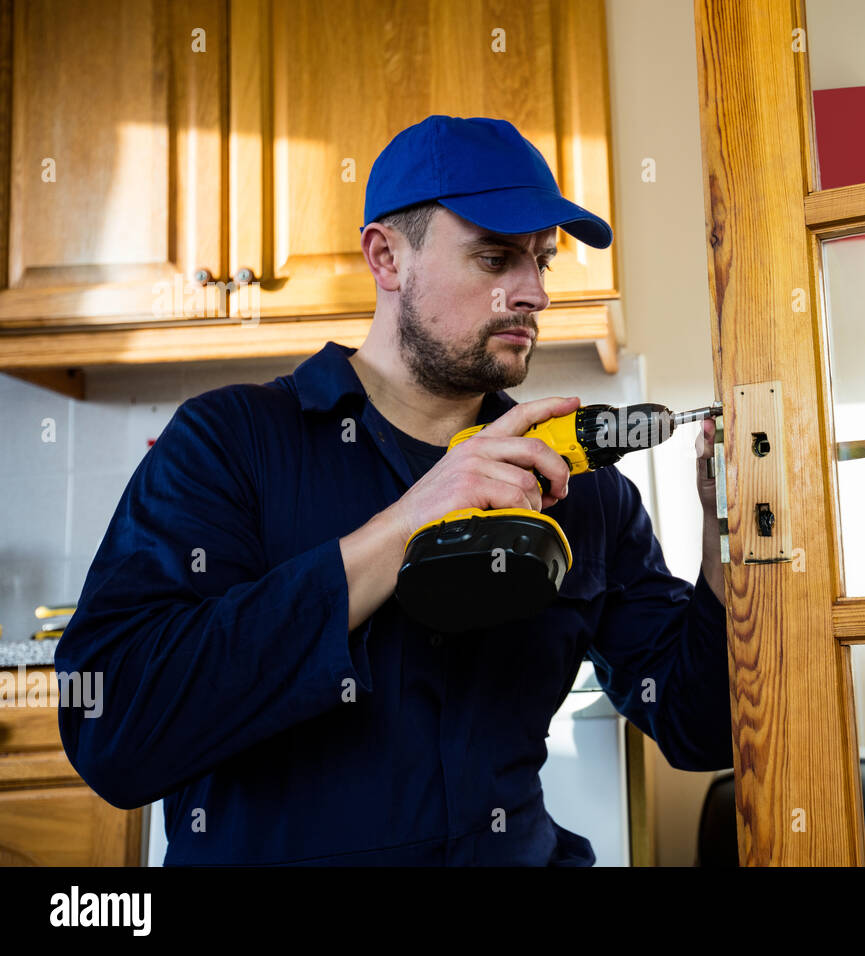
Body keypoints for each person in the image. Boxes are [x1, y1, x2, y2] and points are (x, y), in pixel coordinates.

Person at [55, 115, 732, 866]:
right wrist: (406, 523)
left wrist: (725, 546)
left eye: (543, 260)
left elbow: (698, 729)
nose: (534, 292)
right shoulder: (230, 443)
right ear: (387, 257)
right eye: (495, 257)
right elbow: (111, 732)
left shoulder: (579, 487)